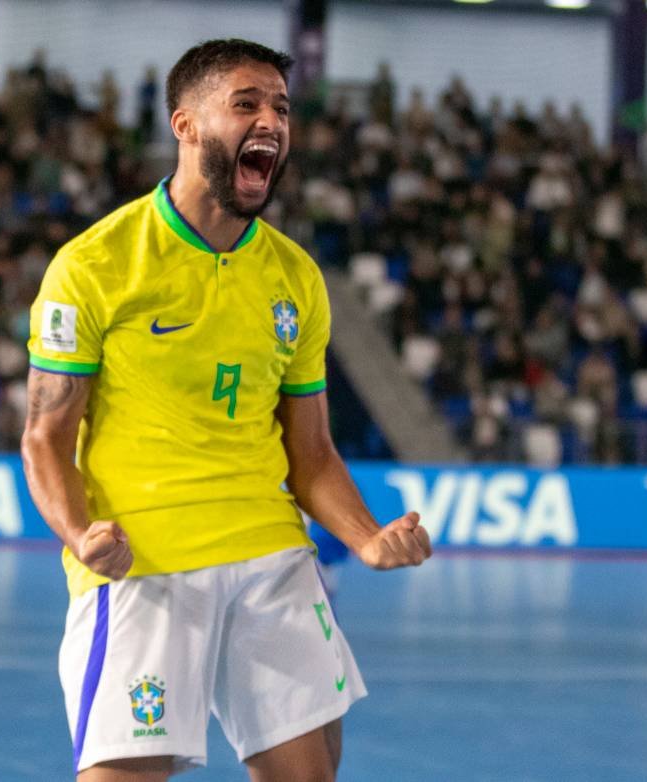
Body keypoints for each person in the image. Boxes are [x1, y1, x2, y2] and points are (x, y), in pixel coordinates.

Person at [21, 39, 431, 782]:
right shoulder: (94, 264)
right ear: (185, 124)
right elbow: (44, 435)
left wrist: (367, 538)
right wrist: (81, 534)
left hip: (270, 556)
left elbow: (312, 455)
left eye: (279, 106)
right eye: (246, 104)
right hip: (143, 564)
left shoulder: (295, 278)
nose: (270, 120)